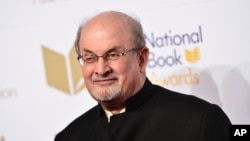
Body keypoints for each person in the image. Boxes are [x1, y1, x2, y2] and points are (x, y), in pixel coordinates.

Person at [55, 11, 231, 141]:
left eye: (113, 54)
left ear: (141, 59)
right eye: (89, 58)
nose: (101, 69)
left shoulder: (200, 120)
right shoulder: (69, 137)